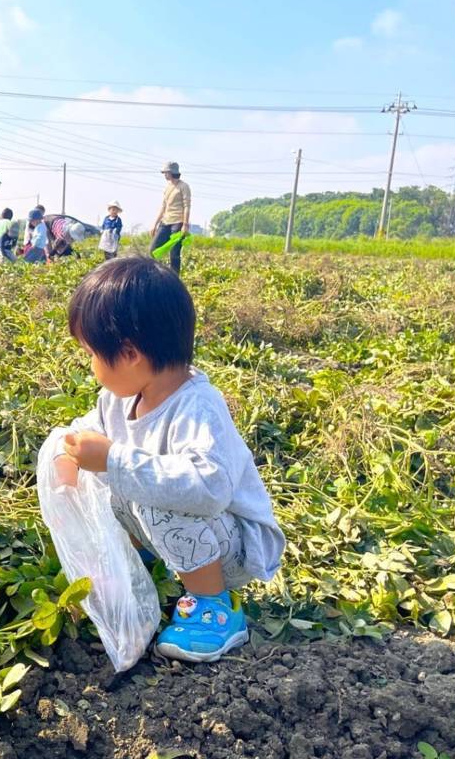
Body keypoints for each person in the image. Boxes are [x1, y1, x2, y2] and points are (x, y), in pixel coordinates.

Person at [45, 257, 284, 662]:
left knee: (143, 490)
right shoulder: (118, 400)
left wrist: (114, 460)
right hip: (185, 531)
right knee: (111, 481)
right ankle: (137, 567)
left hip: (234, 545)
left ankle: (215, 606)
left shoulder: (197, 406)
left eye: (91, 353)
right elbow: (87, 435)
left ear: (129, 353)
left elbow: (207, 490)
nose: (90, 366)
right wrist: (67, 456)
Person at [151, 162, 191, 275]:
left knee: (174, 254)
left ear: (172, 172)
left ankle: (174, 278)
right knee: (153, 250)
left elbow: (187, 206)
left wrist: (185, 224)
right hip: (165, 222)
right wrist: (155, 224)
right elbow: (163, 206)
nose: (165, 175)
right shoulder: (167, 187)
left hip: (178, 222)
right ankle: (156, 275)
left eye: (166, 172)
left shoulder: (184, 186)